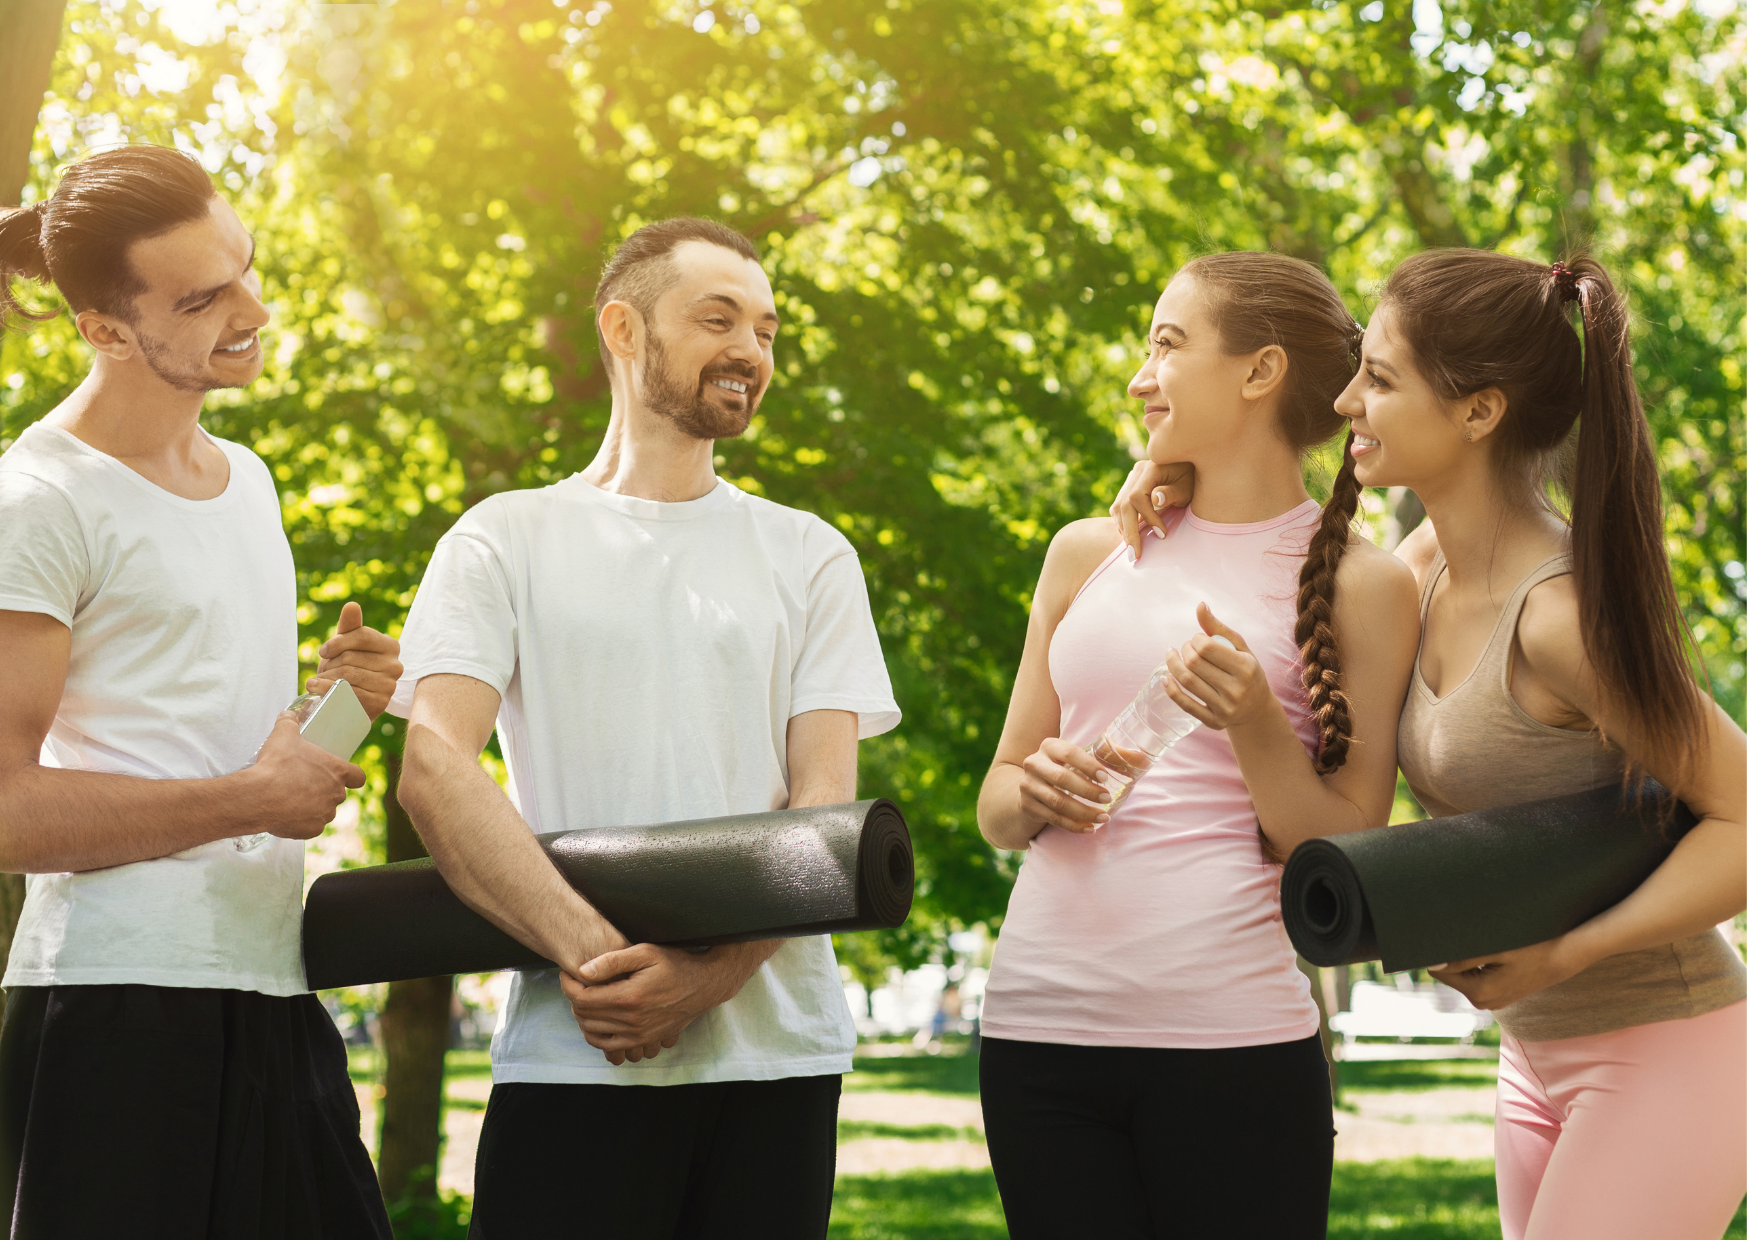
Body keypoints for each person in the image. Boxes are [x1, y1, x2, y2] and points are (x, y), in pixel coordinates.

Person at [1117, 249, 1748, 1239]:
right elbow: (1276, 549)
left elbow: (1742, 821)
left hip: (1664, 1043)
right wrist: (1173, 477)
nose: (1343, 403)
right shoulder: (1414, 571)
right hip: (1530, 1054)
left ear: (1477, 411)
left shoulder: (1558, 618)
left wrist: (1562, 953)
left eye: (1377, 378)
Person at [390, 217, 899, 1238]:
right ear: (623, 330)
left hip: (775, 1059)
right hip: (574, 1050)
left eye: (766, 329)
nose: (751, 351)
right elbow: (434, 772)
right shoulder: (504, 537)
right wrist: (599, 964)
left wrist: (704, 979)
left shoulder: (809, 554)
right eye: (718, 318)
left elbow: (822, 811)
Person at [974, 253, 1420, 1239]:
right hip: (1035, 1034)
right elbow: (995, 803)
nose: (1139, 377)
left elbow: (1345, 846)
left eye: (1165, 346)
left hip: (1231, 1045)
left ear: (1258, 371)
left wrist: (1256, 721)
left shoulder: (1365, 584)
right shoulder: (1086, 551)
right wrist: (1033, 788)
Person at [0, 146, 400, 1237]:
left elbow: (210, 738)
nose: (253, 308)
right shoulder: (37, 501)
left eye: (246, 269)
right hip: (115, 1012)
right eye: (203, 296)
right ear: (105, 329)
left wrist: (341, 702)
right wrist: (248, 797)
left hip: (271, 986)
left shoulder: (248, 482)